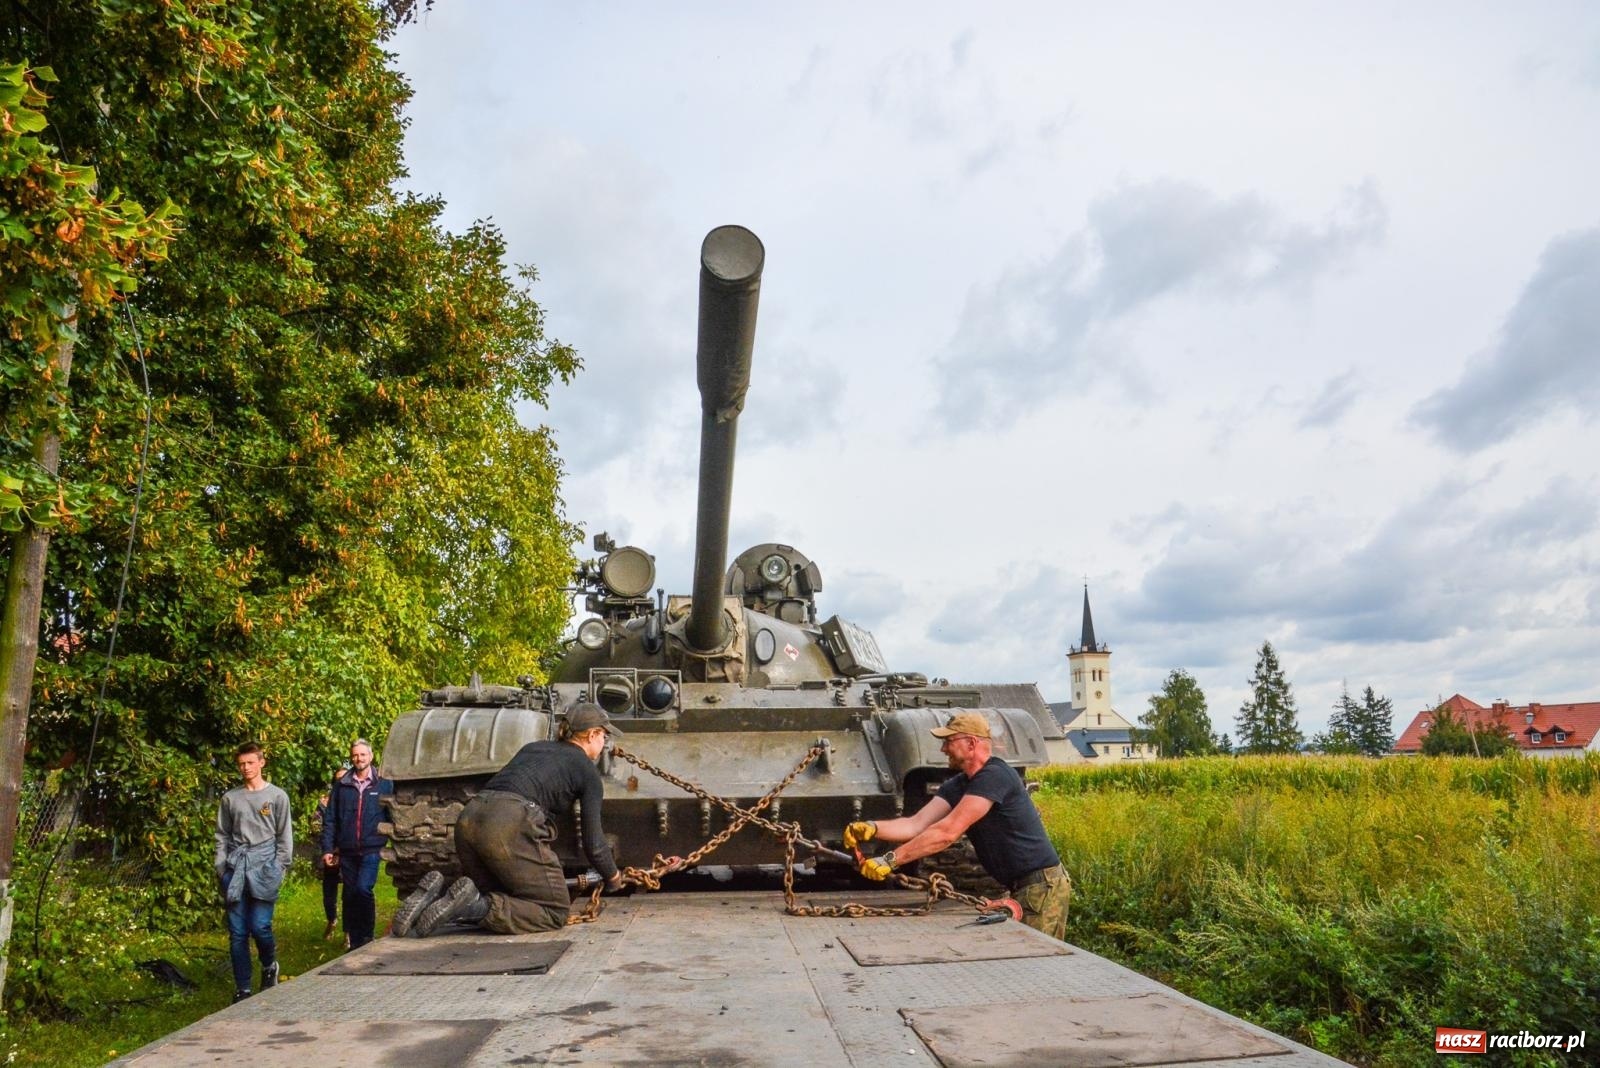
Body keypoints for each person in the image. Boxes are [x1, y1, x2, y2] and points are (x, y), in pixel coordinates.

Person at [397, 703, 626, 938]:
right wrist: (613, 877)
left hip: (470, 818)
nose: (605, 742)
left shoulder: (533, 748)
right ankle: (469, 906)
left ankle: (433, 897)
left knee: (502, 895)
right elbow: (594, 843)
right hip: (508, 824)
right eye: (604, 735)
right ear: (592, 734)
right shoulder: (587, 771)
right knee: (553, 911)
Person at [846, 711, 1071, 940]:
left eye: (948, 741)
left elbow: (947, 832)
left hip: (1041, 889)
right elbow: (916, 824)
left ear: (971, 743)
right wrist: (872, 827)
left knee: (1037, 962)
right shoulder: (958, 785)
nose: (943, 749)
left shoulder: (996, 775)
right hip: (1019, 887)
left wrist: (890, 860)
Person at [214, 741, 293, 1002]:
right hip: (236, 867)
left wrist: (280, 866)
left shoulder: (277, 797)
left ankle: (269, 965)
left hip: (265, 866)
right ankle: (243, 986)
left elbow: (284, 835)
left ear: (262, 762)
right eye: (241, 764)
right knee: (237, 932)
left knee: (260, 925)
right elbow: (222, 834)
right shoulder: (230, 798)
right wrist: (221, 866)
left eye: (250, 762)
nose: (246, 768)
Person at [320, 739, 392, 949]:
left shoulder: (384, 783)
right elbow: (331, 818)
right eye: (355, 755)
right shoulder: (342, 785)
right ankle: (355, 941)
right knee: (350, 894)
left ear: (370, 756)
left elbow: (392, 814)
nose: (358, 759)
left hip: (372, 847)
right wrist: (327, 848)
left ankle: (367, 936)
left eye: (362, 755)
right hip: (347, 849)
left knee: (363, 889)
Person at [312, 766, 347, 941]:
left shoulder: (353, 799)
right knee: (329, 894)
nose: (340, 782)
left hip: (348, 853)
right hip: (329, 854)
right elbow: (317, 828)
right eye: (337, 780)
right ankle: (332, 920)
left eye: (344, 778)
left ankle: (349, 932)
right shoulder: (325, 803)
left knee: (351, 893)